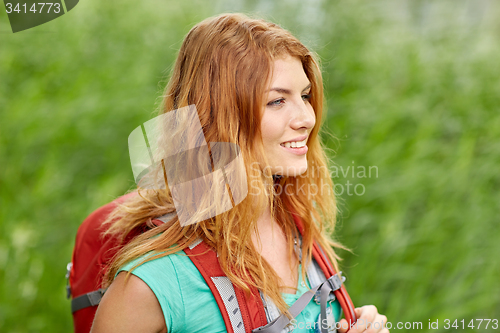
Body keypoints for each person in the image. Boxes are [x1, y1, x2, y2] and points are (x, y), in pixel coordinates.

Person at [90, 13, 388, 333]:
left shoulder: (301, 234)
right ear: (220, 117)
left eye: (304, 96)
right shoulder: (152, 281)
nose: (306, 118)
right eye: (277, 101)